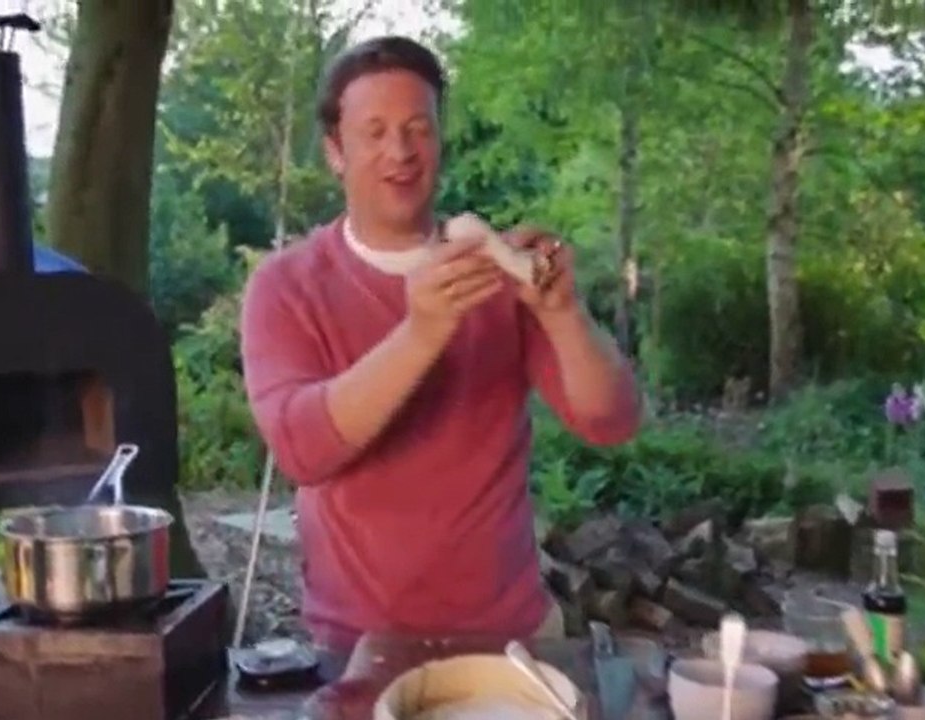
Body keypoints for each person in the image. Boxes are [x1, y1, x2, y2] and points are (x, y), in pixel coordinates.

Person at [239, 36, 641, 661]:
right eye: (374, 132)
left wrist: (564, 313)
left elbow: (611, 421)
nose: (400, 152)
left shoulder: (496, 272)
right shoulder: (285, 285)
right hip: (358, 646)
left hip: (511, 638)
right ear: (335, 152)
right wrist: (422, 332)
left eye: (418, 129)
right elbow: (302, 449)